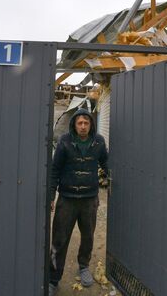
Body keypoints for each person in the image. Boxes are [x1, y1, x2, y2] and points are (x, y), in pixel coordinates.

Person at [49, 108, 108, 295]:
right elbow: (55, 170)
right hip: (67, 199)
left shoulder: (98, 142)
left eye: (86, 123)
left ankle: (83, 266)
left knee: (88, 236)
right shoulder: (64, 141)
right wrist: (51, 196)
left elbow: (106, 163)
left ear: (91, 124)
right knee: (59, 239)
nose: (83, 126)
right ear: (74, 124)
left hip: (89, 200)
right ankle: (53, 278)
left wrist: (113, 179)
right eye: (79, 123)